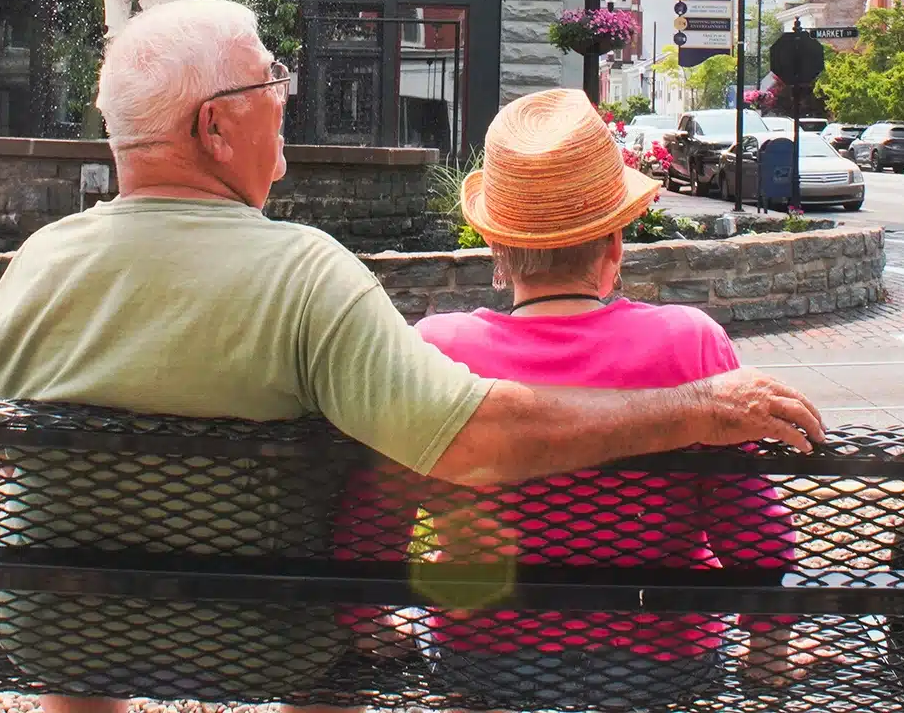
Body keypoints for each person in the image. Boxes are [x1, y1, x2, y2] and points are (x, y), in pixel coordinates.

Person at [0, 0, 824, 713]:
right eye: (273, 80)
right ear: (215, 127)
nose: (288, 95)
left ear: (498, 249)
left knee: (94, 600)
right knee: (326, 619)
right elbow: (470, 438)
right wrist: (702, 407)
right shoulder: (303, 275)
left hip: (57, 631)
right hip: (264, 642)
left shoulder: (32, 267)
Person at [338, 89, 801, 709]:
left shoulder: (438, 349)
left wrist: (373, 624)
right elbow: (751, 528)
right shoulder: (689, 344)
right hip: (663, 662)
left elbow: (371, 525)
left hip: (487, 661)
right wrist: (770, 644)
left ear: (497, 251)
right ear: (614, 243)